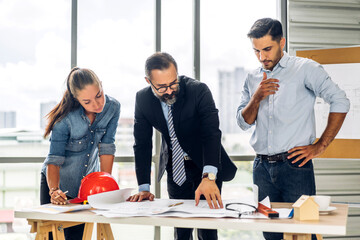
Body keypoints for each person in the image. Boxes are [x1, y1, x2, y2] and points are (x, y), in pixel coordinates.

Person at [237, 18, 350, 240]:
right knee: (271, 235)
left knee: (303, 233)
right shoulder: (252, 78)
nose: (262, 57)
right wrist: (257, 97)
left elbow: (340, 101)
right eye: (256, 51)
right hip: (261, 169)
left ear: (282, 42)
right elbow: (243, 122)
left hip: (295, 166)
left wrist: (320, 145)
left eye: (267, 49)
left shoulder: (305, 68)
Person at [127, 52, 237, 240]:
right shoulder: (143, 99)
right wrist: (143, 187)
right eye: (162, 87)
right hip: (176, 168)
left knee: (207, 228)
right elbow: (142, 144)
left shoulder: (198, 90)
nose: (169, 91)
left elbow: (211, 133)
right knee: (181, 229)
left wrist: (209, 176)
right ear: (148, 81)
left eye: (173, 83)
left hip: (206, 164)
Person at [40, 67, 120, 240]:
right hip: (58, 184)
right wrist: (54, 191)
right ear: (76, 99)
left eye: (99, 95)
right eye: (87, 101)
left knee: (77, 236)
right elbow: (54, 161)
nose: (97, 104)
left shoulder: (113, 108)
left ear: (101, 85)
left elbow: (107, 146)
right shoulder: (65, 120)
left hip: (86, 188)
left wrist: (105, 183)